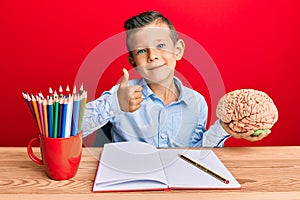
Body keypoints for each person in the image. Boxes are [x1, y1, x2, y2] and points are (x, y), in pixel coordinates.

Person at [82, 10, 268, 147]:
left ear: (178, 50)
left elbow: (197, 153)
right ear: (133, 61)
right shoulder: (121, 96)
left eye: (161, 45)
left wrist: (225, 129)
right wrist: (113, 105)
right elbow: (72, 127)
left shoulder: (197, 102)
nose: (152, 55)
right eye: (141, 50)